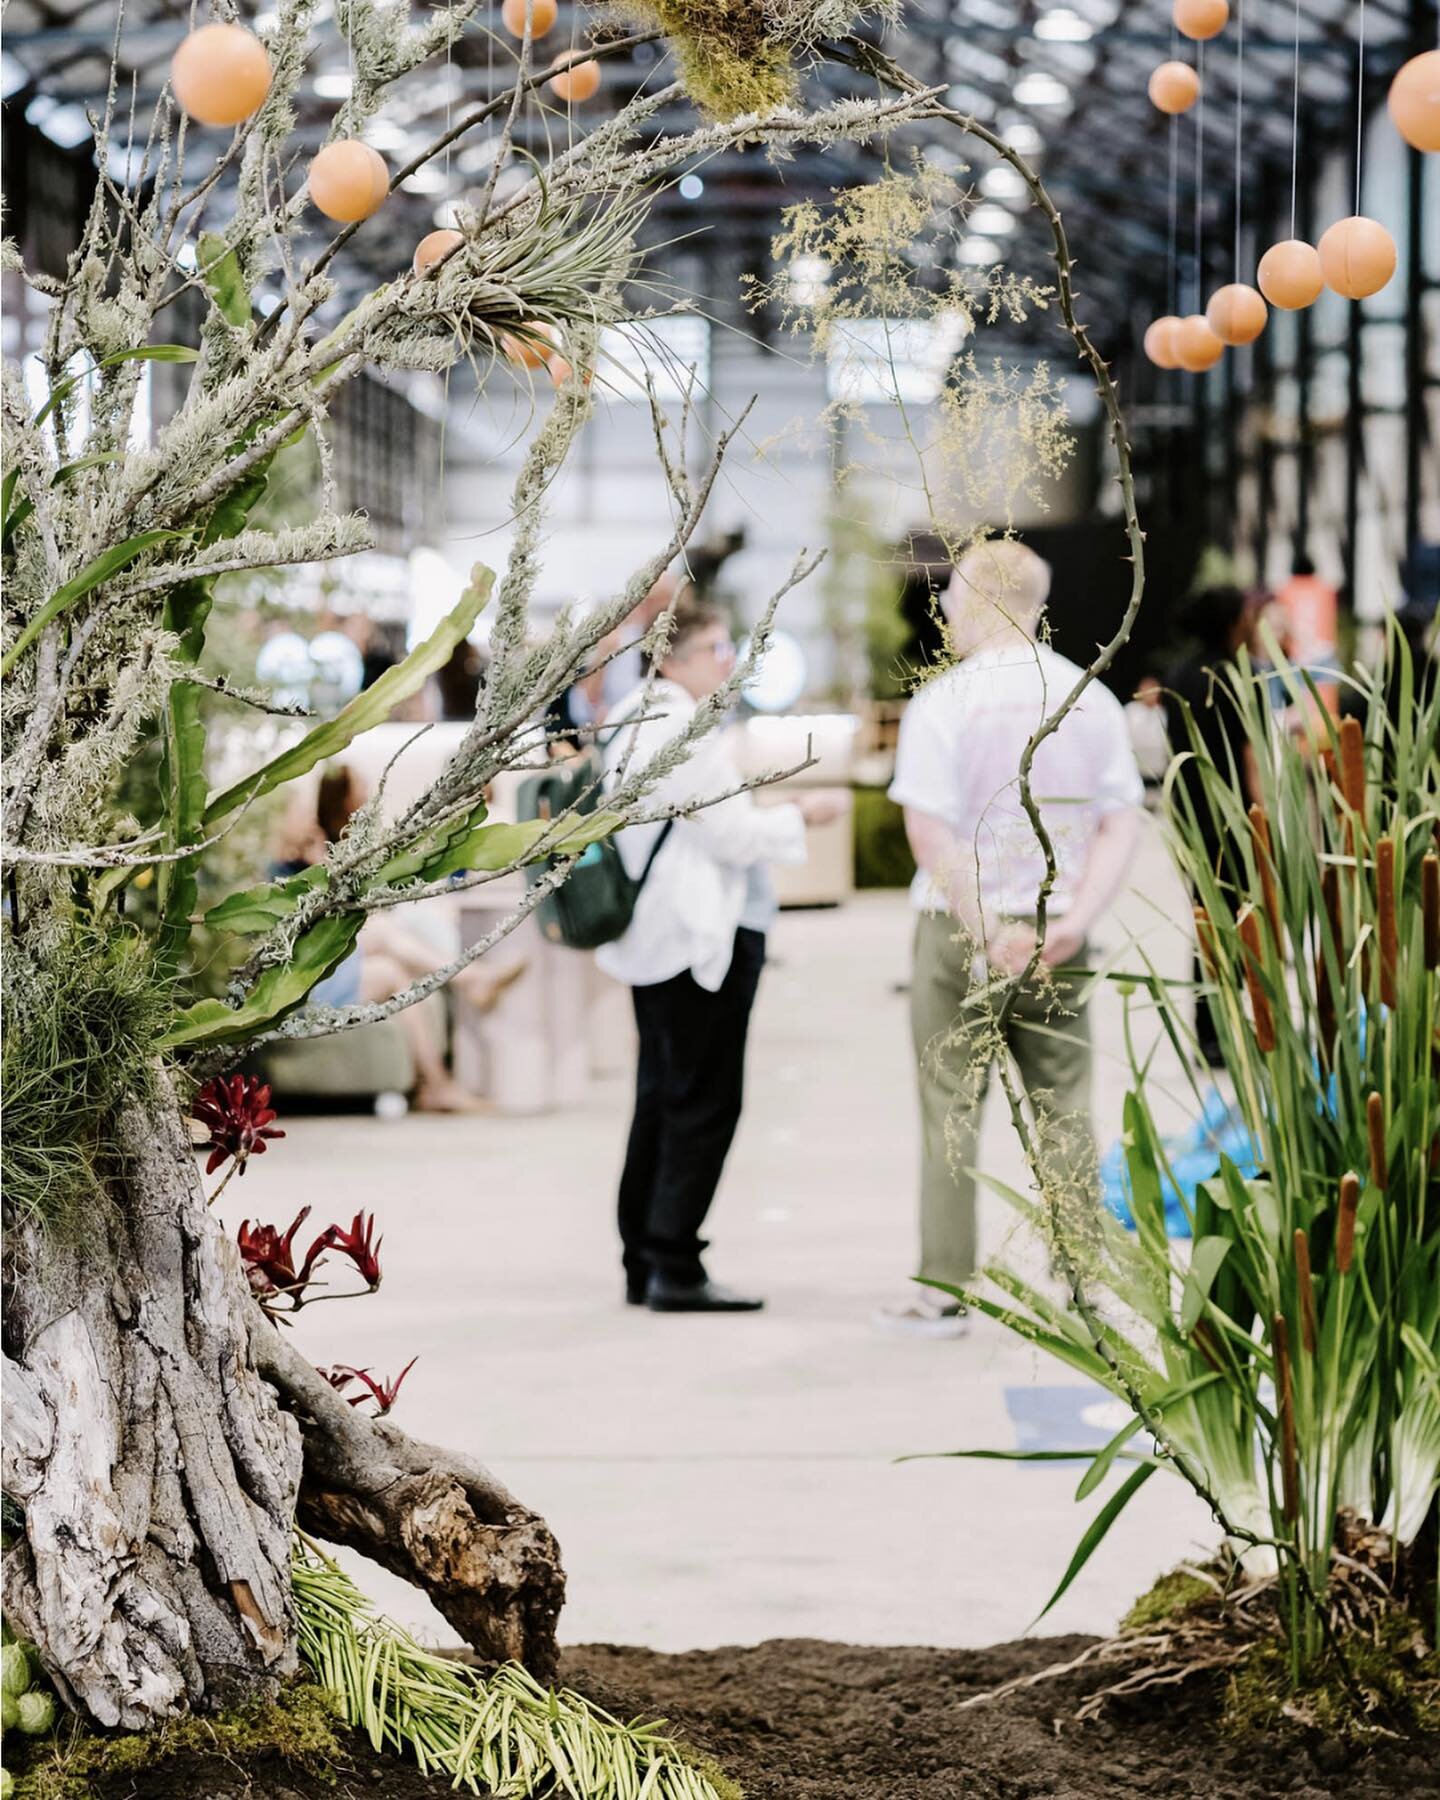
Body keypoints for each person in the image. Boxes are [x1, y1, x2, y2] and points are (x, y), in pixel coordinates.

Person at [879, 541, 1143, 1335]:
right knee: (1065, 1107)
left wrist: (988, 927)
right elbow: (1119, 821)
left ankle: (945, 1292)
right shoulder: (1088, 698)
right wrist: (1071, 923)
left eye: (954, 601)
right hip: (1058, 937)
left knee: (949, 1109)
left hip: (957, 936)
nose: (948, 617)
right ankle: (1085, 1287)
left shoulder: (946, 703)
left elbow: (930, 829)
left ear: (977, 602)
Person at [597, 601, 840, 1313]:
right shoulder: (682, 725)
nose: (727, 662)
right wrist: (803, 816)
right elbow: (731, 835)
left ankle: (644, 1257)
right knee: (704, 1102)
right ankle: (675, 1260)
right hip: (698, 938)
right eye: (714, 648)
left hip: (656, 938)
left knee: (661, 1097)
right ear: (671, 658)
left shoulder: (631, 718)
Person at [273, 765, 521, 1111]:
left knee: (392, 963)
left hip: (323, 969)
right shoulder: (275, 873)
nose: (305, 814)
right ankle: (471, 981)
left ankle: (437, 1081)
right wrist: (318, 865)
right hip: (302, 983)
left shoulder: (305, 856)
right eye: (297, 811)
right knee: (383, 938)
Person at [1163, 585, 1260, 1066]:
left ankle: (1209, 1032)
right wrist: (1264, 825)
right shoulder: (1232, 676)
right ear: (1231, 623)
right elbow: (1251, 760)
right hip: (1231, 818)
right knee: (1237, 922)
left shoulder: (1179, 674)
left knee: (1207, 922)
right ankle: (1227, 1031)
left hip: (1189, 815)